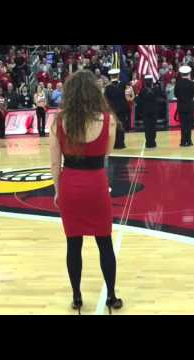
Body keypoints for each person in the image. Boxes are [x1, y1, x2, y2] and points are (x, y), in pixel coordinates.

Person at [48, 70, 122, 314]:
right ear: (94, 91)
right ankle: (111, 295)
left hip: (70, 186)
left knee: (73, 244)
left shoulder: (58, 121)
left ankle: (77, 297)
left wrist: (58, 192)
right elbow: (107, 152)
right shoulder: (108, 119)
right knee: (105, 242)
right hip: (96, 185)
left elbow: (54, 164)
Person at [104, 68, 129, 149]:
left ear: (111, 76)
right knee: (121, 126)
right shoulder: (123, 85)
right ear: (118, 76)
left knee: (113, 127)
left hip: (113, 111)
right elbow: (128, 97)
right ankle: (121, 143)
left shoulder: (107, 88)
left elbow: (106, 100)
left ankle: (114, 144)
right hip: (121, 110)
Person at [174, 65, 194, 147]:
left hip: (181, 106)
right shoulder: (193, 83)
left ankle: (183, 142)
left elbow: (175, 94)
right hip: (190, 106)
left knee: (183, 124)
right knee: (189, 124)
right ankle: (189, 141)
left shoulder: (178, 83)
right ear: (189, 73)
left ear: (181, 74)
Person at [135, 74, 158, 148]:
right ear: (151, 81)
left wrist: (136, 97)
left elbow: (139, 102)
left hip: (145, 112)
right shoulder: (156, 89)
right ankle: (153, 142)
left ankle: (148, 143)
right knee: (153, 127)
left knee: (147, 128)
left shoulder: (142, 91)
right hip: (154, 112)